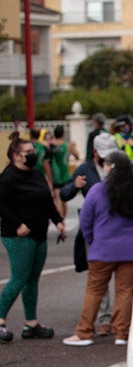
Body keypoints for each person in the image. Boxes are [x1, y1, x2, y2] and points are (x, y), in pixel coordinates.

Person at [62, 150, 133, 347]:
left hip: (102, 249)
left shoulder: (97, 190)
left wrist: (93, 241)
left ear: (110, 167)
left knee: (94, 290)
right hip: (131, 250)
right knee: (125, 291)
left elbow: (85, 221)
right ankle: (122, 333)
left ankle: (84, 332)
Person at [0, 133, 67, 343]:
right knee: (19, 278)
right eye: (28, 152)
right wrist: (17, 224)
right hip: (19, 236)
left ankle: (31, 323)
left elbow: (47, 201)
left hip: (39, 234)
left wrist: (58, 221)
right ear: (16, 156)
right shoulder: (8, 178)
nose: (33, 154)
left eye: (33, 151)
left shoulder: (36, 174)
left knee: (32, 279)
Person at [62, 132, 118, 336]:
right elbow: (64, 193)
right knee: (98, 275)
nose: (107, 159)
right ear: (95, 152)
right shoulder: (85, 169)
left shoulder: (118, 166)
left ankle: (121, 322)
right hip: (94, 229)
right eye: (104, 155)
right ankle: (104, 319)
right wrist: (74, 186)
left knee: (123, 278)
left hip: (117, 227)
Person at [48, 125, 79, 219]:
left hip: (55, 175)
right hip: (65, 175)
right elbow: (77, 156)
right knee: (64, 199)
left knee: (57, 199)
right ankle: (62, 220)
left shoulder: (50, 146)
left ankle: (60, 221)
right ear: (63, 134)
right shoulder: (68, 145)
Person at [112, 115, 133, 181]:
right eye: (122, 126)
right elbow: (115, 159)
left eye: (125, 126)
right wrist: (123, 147)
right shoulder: (115, 139)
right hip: (123, 172)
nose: (123, 128)